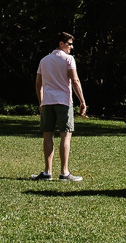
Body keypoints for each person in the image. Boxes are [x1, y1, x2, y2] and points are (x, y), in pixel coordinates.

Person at [31, 32, 88, 182]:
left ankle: (47, 172)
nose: (71, 47)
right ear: (60, 44)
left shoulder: (44, 60)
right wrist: (82, 101)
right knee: (65, 135)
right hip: (63, 101)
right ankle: (64, 173)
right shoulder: (69, 59)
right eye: (69, 44)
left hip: (48, 101)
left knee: (47, 135)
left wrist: (41, 101)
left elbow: (38, 84)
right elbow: (75, 80)